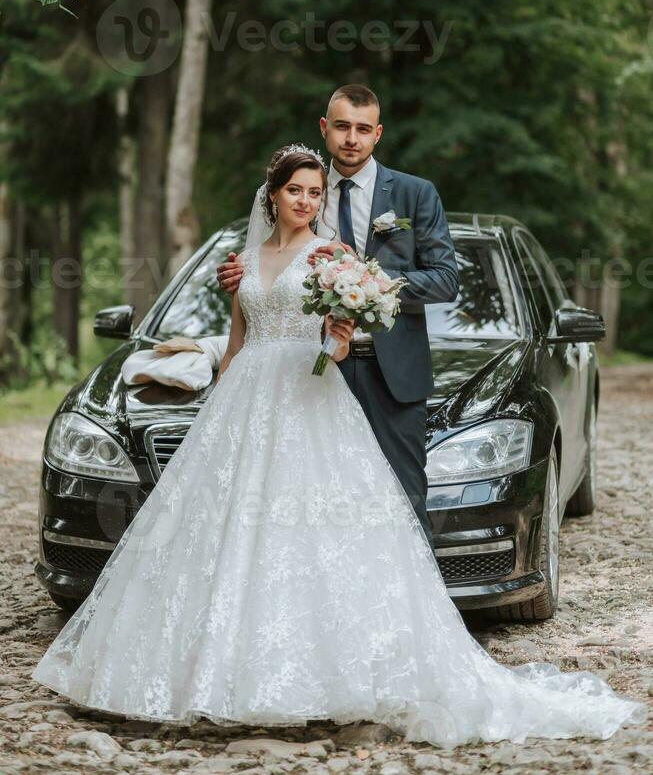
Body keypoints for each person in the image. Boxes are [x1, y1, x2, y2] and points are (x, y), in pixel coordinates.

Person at [31, 145, 647, 746]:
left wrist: (341, 334)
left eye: (314, 192)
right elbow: (238, 342)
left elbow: (341, 344)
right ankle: (213, 670)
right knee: (227, 535)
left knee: (322, 532)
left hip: (310, 399)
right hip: (245, 402)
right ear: (272, 195)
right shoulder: (243, 262)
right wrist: (217, 408)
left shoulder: (333, 255)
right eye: (294, 191)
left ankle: (322, 673)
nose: (305, 200)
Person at [217, 84, 460, 553]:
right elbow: (267, 265)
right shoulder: (305, 188)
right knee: (317, 507)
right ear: (326, 129)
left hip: (392, 371)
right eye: (343, 126)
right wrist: (237, 274)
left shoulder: (413, 193)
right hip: (314, 371)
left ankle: (412, 616)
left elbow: (445, 279)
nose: (352, 138)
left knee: (403, 500)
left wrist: (366, 277)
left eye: (363, 129)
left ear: (377, 134)